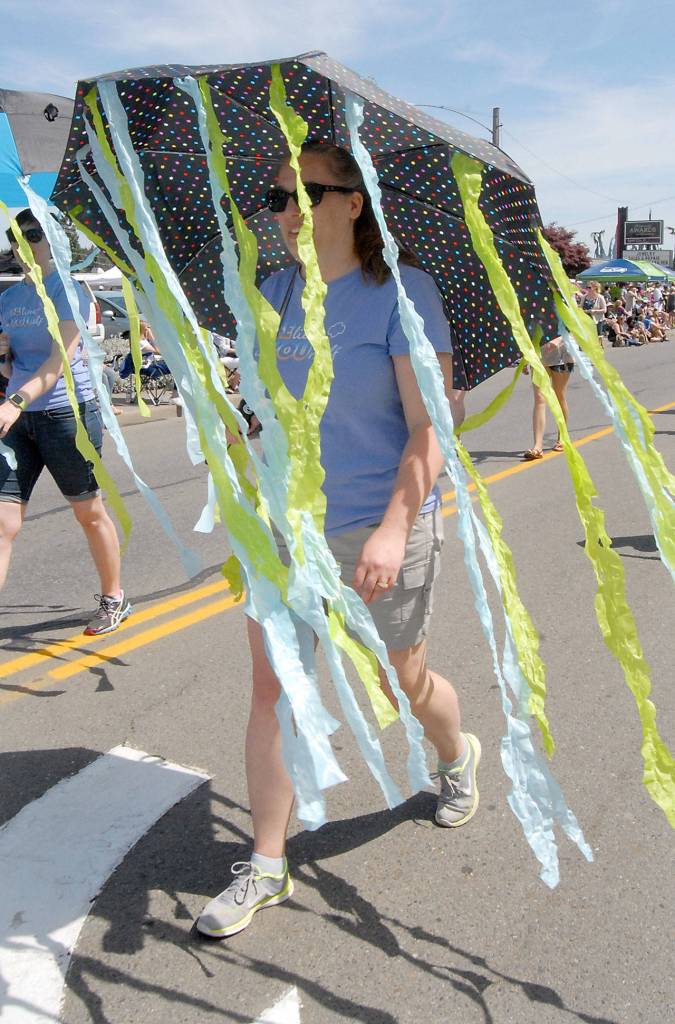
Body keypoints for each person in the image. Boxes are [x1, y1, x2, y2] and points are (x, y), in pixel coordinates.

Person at [196, 142, 479, 939]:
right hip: (284, 526)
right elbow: (268, 407)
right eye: (274, 197)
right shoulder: (275, 290)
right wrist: (243, 417)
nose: (281, 214)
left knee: (404, 683)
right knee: (271, 688)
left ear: (352, 203)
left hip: (373, 523)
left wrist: (394, 528)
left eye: (300, 196)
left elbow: (427, 430)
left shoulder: (401, 294)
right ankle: (267, 861)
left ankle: (456, 757)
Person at [0, 210, 131, 634]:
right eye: (16, 235)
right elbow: (11, 369)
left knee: (88, 513)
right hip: (18, 418)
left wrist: (15, 400)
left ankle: (114, 597)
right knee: (3, 522)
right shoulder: (8, 299)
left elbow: (58, 362)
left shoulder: (68, 290)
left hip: (65, 414)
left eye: (33, 234)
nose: (24, 244)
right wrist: (4, 359)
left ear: (53, 238)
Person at [521, 328, 575, 460]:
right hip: (538, 355)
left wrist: (556, 340)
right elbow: (526, 329)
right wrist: (525, 357)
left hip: (561, 352)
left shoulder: (560, 306)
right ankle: (537, 447)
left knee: (559, 396)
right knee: (539, 398)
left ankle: (562, 437)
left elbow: (570, 322)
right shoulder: (530, 308)